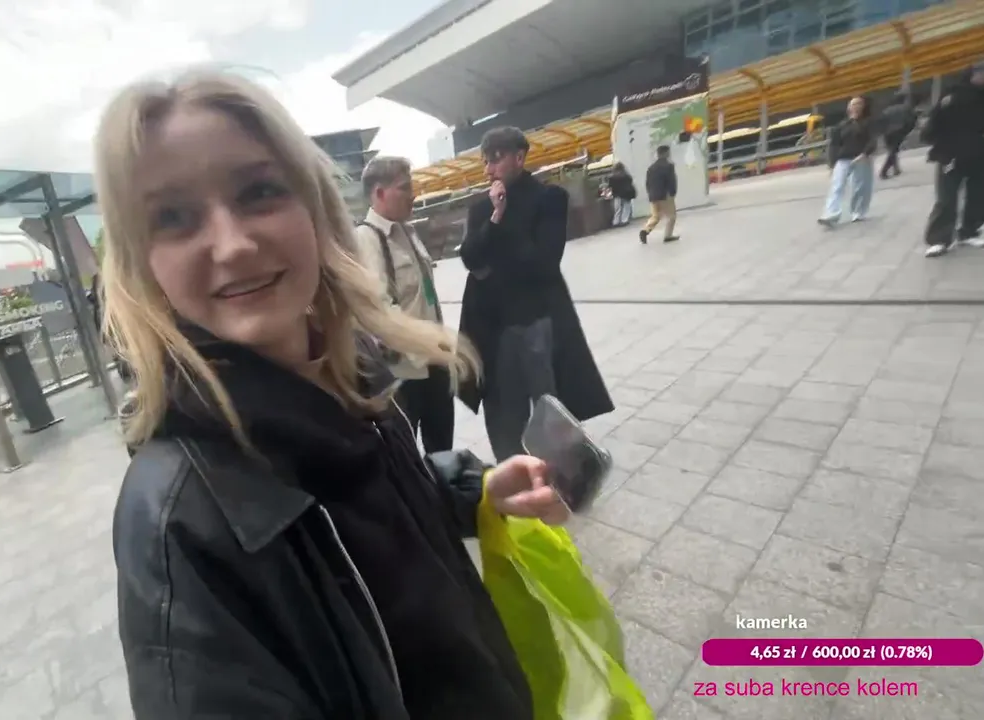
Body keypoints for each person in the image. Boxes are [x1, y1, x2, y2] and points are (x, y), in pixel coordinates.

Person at [97, 71, 574, 720]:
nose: (233, 245)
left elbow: (361, 517)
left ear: (315, 209)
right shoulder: (175, 526)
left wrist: (474, 492)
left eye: (259, 191)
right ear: (142, 261)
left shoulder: (351, 374)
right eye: (173, 218)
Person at [457, 126, 613, 461]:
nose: (488, 169)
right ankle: (513, 471)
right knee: (503, 412)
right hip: (494, 329)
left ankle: (562, 472)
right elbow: (470, 257)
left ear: (519, 157)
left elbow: (544, 263)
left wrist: (499, 238)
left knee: (550, 407)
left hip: (538, 322)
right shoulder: (482, 208)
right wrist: (496, 217)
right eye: (485, 161)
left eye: (495, 159)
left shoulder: (549, 199)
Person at [353, 155, 454, 453]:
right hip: (404, 373)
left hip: (434, 362)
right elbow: (379, 307)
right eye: (404, 187)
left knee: (443, 452)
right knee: (406, 455)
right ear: (379, 193)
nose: (413, 195)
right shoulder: (366, 239)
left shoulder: (407, 231)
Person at [922, 60, 984, 258]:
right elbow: (934, 125)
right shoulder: (952, 95)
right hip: (952, 155)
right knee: (946, 199)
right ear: (972, 74)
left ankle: (969, 231)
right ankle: (939, 239)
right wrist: (939, 146)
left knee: (982, 197)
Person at [819, 95, 878, 227]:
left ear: (863, 107)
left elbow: (873, 140)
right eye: (853, 104)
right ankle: (831, 213)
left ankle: (858, 212)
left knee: (861, 187)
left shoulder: (868, 123)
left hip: (862, 158)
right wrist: (831, 164)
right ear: (848, 108)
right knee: (837, 186)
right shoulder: (841, 126)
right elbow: (834, 145)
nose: (856, 107)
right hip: (843, 159)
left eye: (859, 104)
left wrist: (865, 153)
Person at [640, 146, 679, 243]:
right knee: (671, 216)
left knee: (656, 216)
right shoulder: (668, 166)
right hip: (665, 195)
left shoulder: (651, 168)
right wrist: (673, 192)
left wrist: (650, 193)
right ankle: (668, 235)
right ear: (666, 153)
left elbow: (647, 183)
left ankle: (645, 230)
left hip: (653, 195)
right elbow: (671, 181)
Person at [879, 91, 918, 179]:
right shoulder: (906, 108)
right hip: (899, 131)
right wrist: (907, 131)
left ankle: (896, 169)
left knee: (892, 150)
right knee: (893, 151)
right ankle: (883, 171)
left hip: (887, 133)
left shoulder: (887, 110)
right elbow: (912, 120)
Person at [606, 162, 637, 226]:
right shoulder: (627, 176)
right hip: (627, 194)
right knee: (626, 207)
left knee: (617, 209)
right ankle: (624, 220)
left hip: (617, 194)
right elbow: (630, 184)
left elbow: (610, 186)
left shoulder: (612, 177)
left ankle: (616, 222)